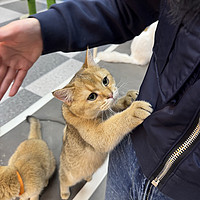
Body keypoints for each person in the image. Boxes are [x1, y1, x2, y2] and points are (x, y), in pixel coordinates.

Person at [0, 0, 200, 199]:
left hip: (185, 185)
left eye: (105, 81)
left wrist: (120, 108)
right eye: (94, 95)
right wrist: (43, 29)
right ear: (69, 101)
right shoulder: (78, 116)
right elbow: (127, 7)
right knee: (67, 178)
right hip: (133, 147)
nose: (109, 94)